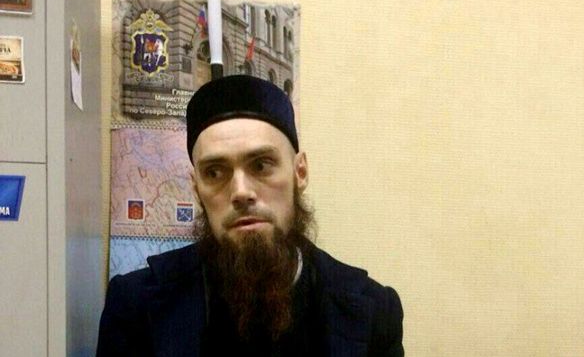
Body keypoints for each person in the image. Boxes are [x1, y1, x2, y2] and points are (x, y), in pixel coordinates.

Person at [96, 75, 404, 356]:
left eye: (260, 165)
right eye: (215, 172)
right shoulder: (135, 308)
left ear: (299, 172)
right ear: (196, 187)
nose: (241, 192)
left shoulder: (373, 312)